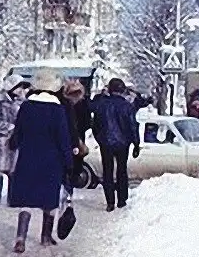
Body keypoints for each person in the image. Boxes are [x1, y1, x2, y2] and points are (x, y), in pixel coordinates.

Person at [8, 69, 73, 253]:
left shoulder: (26, 107)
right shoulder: (57, 110)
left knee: (26, 199)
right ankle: (46, 236)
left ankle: (20, 238)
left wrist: (13, 144)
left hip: (28, 158)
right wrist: (69, 162)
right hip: (51, 162)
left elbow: (18, 132)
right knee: (49, 200)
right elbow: (63, 138)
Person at [92, 78, 140, 212]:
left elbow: (95, 124)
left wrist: (100, 139)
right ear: (122, 90)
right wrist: (136, 143)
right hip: (123, 143)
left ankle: (110, 202)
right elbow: (133, 126)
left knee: (107, 171)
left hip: (106, 143)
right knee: (122, 170)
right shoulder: (127, 106)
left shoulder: (102, 105)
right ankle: (122, 200)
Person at [0, 75, 30, 208]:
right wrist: (8, 127)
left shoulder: (23, 102)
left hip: (16, 140)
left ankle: (12, 199)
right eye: (19, 87)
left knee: (14, 171)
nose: (21, 90)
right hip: (1, 140)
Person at [60, 79, 91, 185]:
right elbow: (87, 122)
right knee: (74, 163)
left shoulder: (63, 105)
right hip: (76, 138)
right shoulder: (77, 105)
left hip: (70, 139)